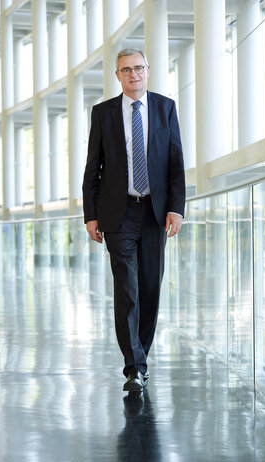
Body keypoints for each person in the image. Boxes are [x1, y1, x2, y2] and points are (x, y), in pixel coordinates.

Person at [82, 48, 185, 392]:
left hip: (155, 212)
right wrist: (91, 215)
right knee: (127, 288)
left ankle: (141, 356)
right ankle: (134, 367)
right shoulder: (103, 113)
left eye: (138, 68)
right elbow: (92, 167)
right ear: (118, 75)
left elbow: (175, 163)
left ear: (148, 70)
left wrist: (176, 207)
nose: (133, 74)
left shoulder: (165, 107)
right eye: (126, 70)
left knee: (151, 288)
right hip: (119, 212)